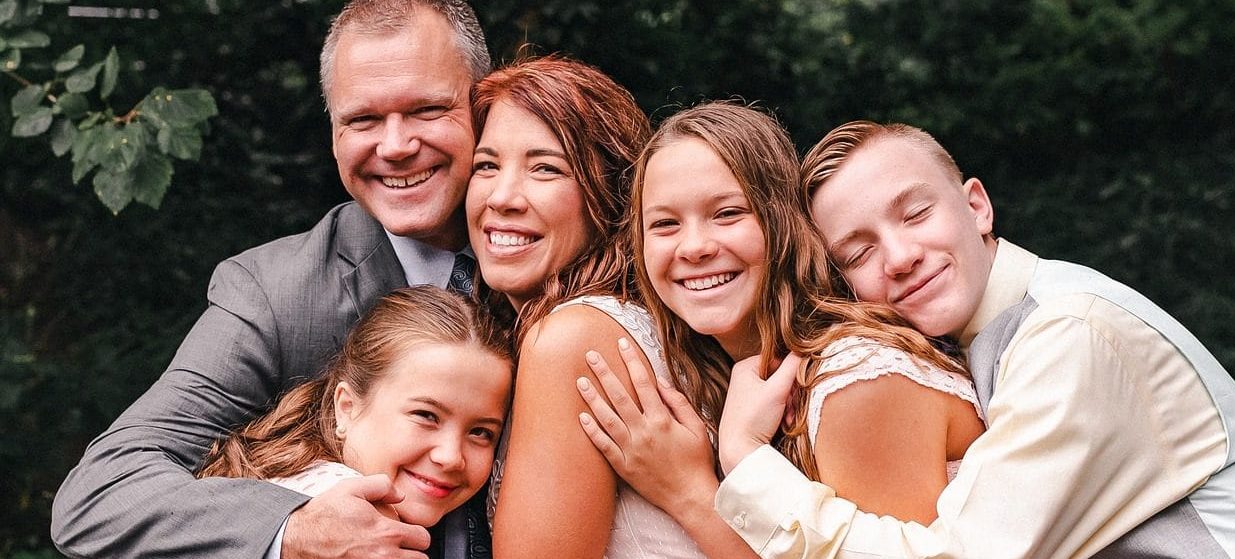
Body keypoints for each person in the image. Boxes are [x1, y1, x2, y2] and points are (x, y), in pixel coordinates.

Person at [592, 119, 1235, 558]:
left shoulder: (1070, 333)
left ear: (977, 204)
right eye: (857, 251)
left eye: (915, 214)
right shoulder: (964, 338)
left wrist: (735, 461)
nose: (897, 257)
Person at [50, 1, 494, 557]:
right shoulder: (277, 291)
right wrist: (297, 532)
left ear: (483, 104)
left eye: (427, 109)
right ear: (333, 131)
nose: (396, 145)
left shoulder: (571, 249)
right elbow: (100, 494)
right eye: (363, 120)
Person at [575, 101, 986, 531]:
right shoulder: (736, 380)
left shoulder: (858, 377)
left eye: (728, 213)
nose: (693, 246)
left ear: (784, 224)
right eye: (664, 224)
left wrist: (691, 491)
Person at [464, 57, 750, 559]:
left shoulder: (572, 339)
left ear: (613, 194)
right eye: (486, 165)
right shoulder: (638, 320)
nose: (502, 196)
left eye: (545, 168)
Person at [197, 286, 512, 543]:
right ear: (346, 407)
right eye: (426, 415)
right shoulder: (364, 521)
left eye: (481, 432)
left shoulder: (291, 473)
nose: (451, 456)